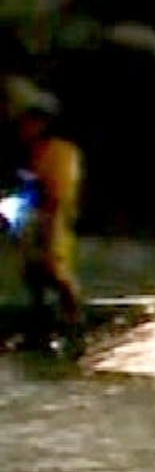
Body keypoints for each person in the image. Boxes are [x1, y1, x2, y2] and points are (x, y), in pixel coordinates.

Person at [9, 81, 85, 343]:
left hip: (52, 217)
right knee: (32, 272)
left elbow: (59, 191)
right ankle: (40, 321)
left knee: (55, 268)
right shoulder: (31, 152)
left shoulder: (60, 152)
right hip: (32, 216)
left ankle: (73, 320)